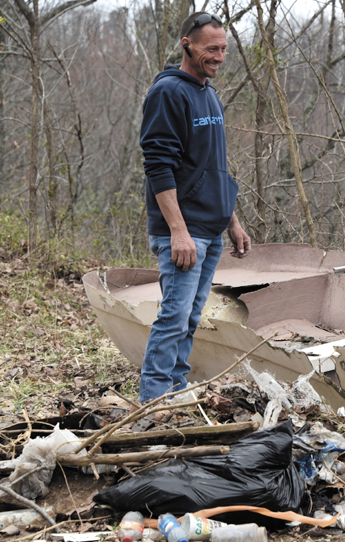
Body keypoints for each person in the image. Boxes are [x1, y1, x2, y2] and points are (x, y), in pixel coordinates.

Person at [138, 12, 251, 403]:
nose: (219, 56)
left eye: (223, 49)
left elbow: (212, 165)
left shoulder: (208, 92)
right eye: (211, 49)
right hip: (184, 232)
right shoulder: (169, 93)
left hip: (210, 227)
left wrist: (231, 220)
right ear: (187, 44)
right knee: (173, 319)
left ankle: (177, 392)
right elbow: (158, 166)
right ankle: (151, 403)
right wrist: (178, 231)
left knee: (189, 318)